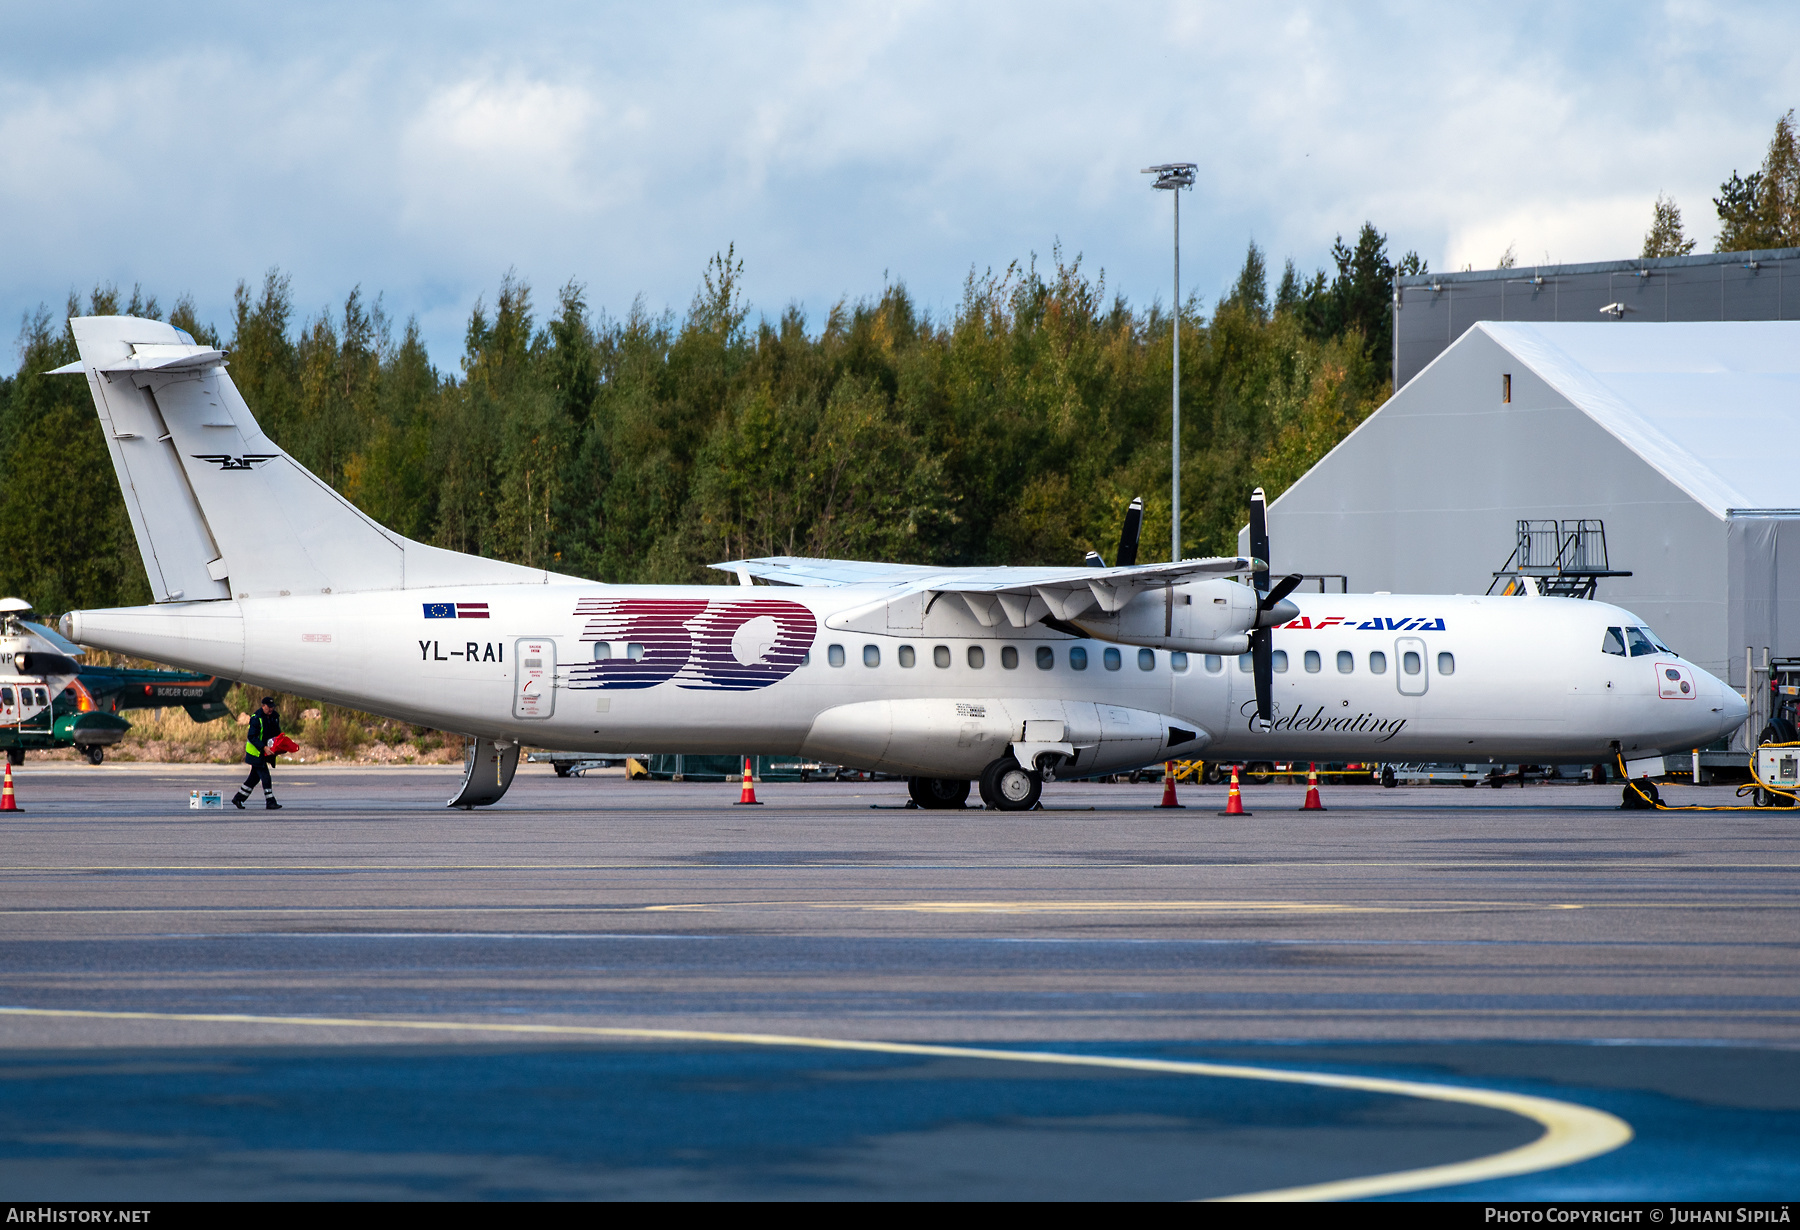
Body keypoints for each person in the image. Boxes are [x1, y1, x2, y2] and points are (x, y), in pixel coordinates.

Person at [232, 696, 284, 810]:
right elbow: (252, 736)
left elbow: (277, 733)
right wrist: (264, 747)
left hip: (265, 752)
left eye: (272, 707)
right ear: (263, 706)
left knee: (253, 779)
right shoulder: (256, 718)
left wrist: (280, 746)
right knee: (265, 777)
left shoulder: (274, 717)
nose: (271, 709)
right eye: (269, 707)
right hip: (255, 753)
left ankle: (238, 798)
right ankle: (270, 801)